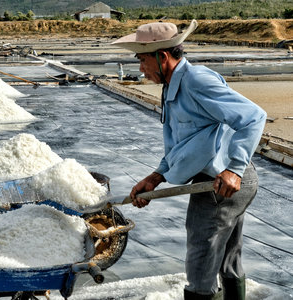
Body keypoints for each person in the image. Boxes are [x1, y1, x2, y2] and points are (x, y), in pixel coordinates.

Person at [112, 20, 266, 300]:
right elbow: (184, 143)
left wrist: (235, 169)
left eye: (142, 60)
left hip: (223, 183)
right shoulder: (172, 86)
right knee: (227, 260)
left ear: (163, 57)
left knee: (200, 264)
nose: (141, 69)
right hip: (220, 181)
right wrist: (156, 177)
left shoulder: (196, 80)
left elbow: (254, 117)